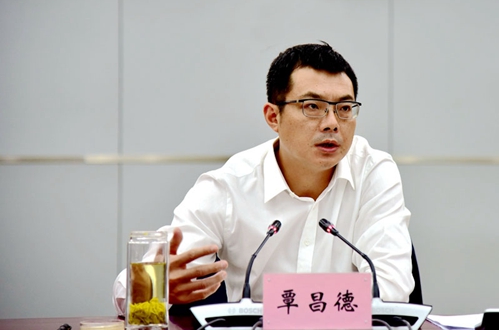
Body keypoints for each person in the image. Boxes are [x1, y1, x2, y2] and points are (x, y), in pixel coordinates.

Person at [113, 42, 414, 314]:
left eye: (344, 108)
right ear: (273, 117)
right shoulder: (231, 185)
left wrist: (287, 309)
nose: (332, 123)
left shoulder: (373, 172)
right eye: (312, 106)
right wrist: (155, 288)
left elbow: (391, 290)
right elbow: (129, 288)